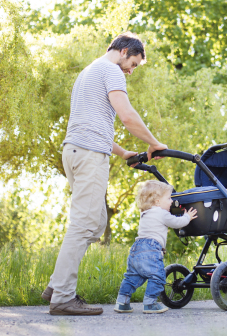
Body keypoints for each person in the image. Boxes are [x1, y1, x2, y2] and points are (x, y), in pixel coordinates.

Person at [42, 32, 168, 316]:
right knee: (84, 224)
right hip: (88, 156)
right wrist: (153, 143)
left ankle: (56, 285)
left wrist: (124, 153)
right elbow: (126, 115)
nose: (131, 70)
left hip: (74, 151)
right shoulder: (112, 70)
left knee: (96, 222)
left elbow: (94, 126)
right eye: (133, 63)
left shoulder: (89, 72)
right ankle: (62, 297)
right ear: (124, 51)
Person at [114, 180, 198, 314]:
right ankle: (150, 303)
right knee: (158, 276)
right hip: (151, 249)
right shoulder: (161, 212)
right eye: (169, 198)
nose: (171, 201)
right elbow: (177, 222)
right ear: (158, 201)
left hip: (136, 249)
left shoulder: (145, 213)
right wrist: (187, 216)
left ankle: (122, 302)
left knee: (131, 278)